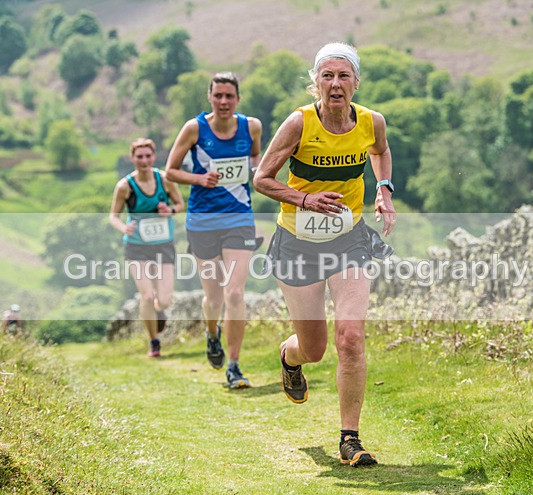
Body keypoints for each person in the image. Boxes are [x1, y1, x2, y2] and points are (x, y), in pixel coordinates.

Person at [253, 43, 396, 466]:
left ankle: (350, 438)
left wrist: (383, 190)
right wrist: (304, 199)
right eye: (327, 76)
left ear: (355, 82)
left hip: (348, 239)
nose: (336, 84)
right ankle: (289, 356)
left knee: (350, 337)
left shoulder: (372, 122)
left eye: (344, 76)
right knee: (313, 348)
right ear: (316, 81)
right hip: (297, 243)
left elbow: (380, 153)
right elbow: (262, 178)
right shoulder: (299, 123)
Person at [165, 72, 263, 389]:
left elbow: (255, 159)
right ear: (209, 97)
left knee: (235, 292)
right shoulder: (195, 128)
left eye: (229, 96)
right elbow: (170, 171)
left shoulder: (252, 127)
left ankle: (234, 366)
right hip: (203, 221)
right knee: (214, 297)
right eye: (218, 95)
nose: (223, 101)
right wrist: (199, 179)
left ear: (238, 99)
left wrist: (260, 171)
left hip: (239, 218)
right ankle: (212, 333)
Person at [110, 138, 184, 357]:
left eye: (147, 156)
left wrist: (169, 211)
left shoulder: (165, 180)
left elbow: (180, 205)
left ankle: (159, 313)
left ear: (154, 156)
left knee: (164, 300)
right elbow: (113, 216)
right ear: (132, 158)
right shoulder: (125, 186)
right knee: (146, 295)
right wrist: (124, 228)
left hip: (163, 245)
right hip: (137, 247)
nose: (144, 160)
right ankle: (154, 341)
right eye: (139, 156)